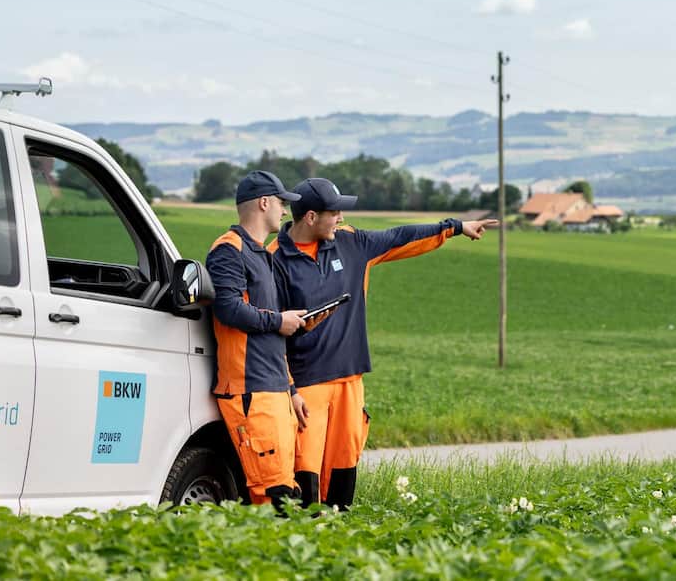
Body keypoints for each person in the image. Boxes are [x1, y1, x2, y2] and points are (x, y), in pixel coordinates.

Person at [269, 177, 497, 508]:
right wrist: (289, 388)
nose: (341, 218)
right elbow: (268, 334)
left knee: (345, 458)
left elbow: (399, 237)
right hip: (306, 384)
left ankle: (339, 525)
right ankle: (303, 530)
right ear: (311, 217)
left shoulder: (351, 243)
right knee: (305, 463)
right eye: (335, 213)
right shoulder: (274, 260)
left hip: (350, 379)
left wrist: (456, 228)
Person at [206, 170, 309, 509]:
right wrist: (279, 321)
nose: (284, 210)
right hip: (250, 389)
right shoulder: (228, 250)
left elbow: (271, 331)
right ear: (264, 203)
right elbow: (229, 309)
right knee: (272, 495)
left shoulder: (263, 255)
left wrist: (291, 390)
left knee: (285, 489)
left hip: (274, 390)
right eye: (281, 202)